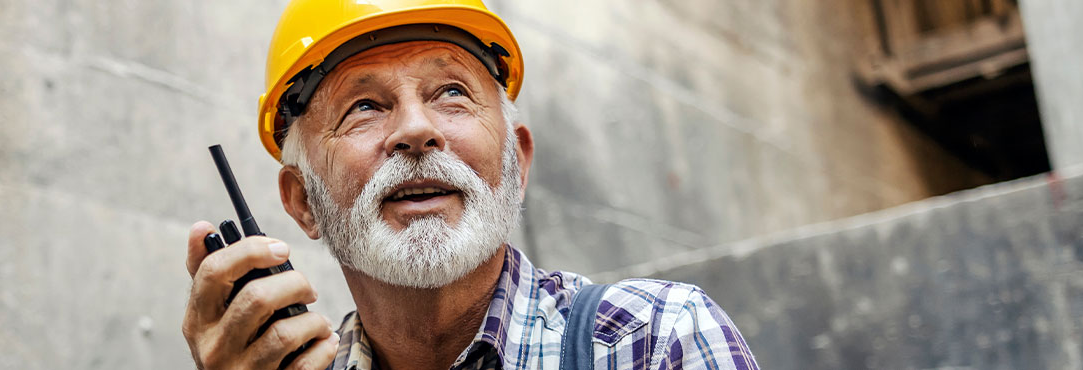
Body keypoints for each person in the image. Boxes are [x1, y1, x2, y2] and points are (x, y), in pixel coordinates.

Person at [181, 1, 760, 369]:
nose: (415, 130)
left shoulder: (653, 340)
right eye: (363, 106)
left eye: (451, 93)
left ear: (517, 163)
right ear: (303, 201)